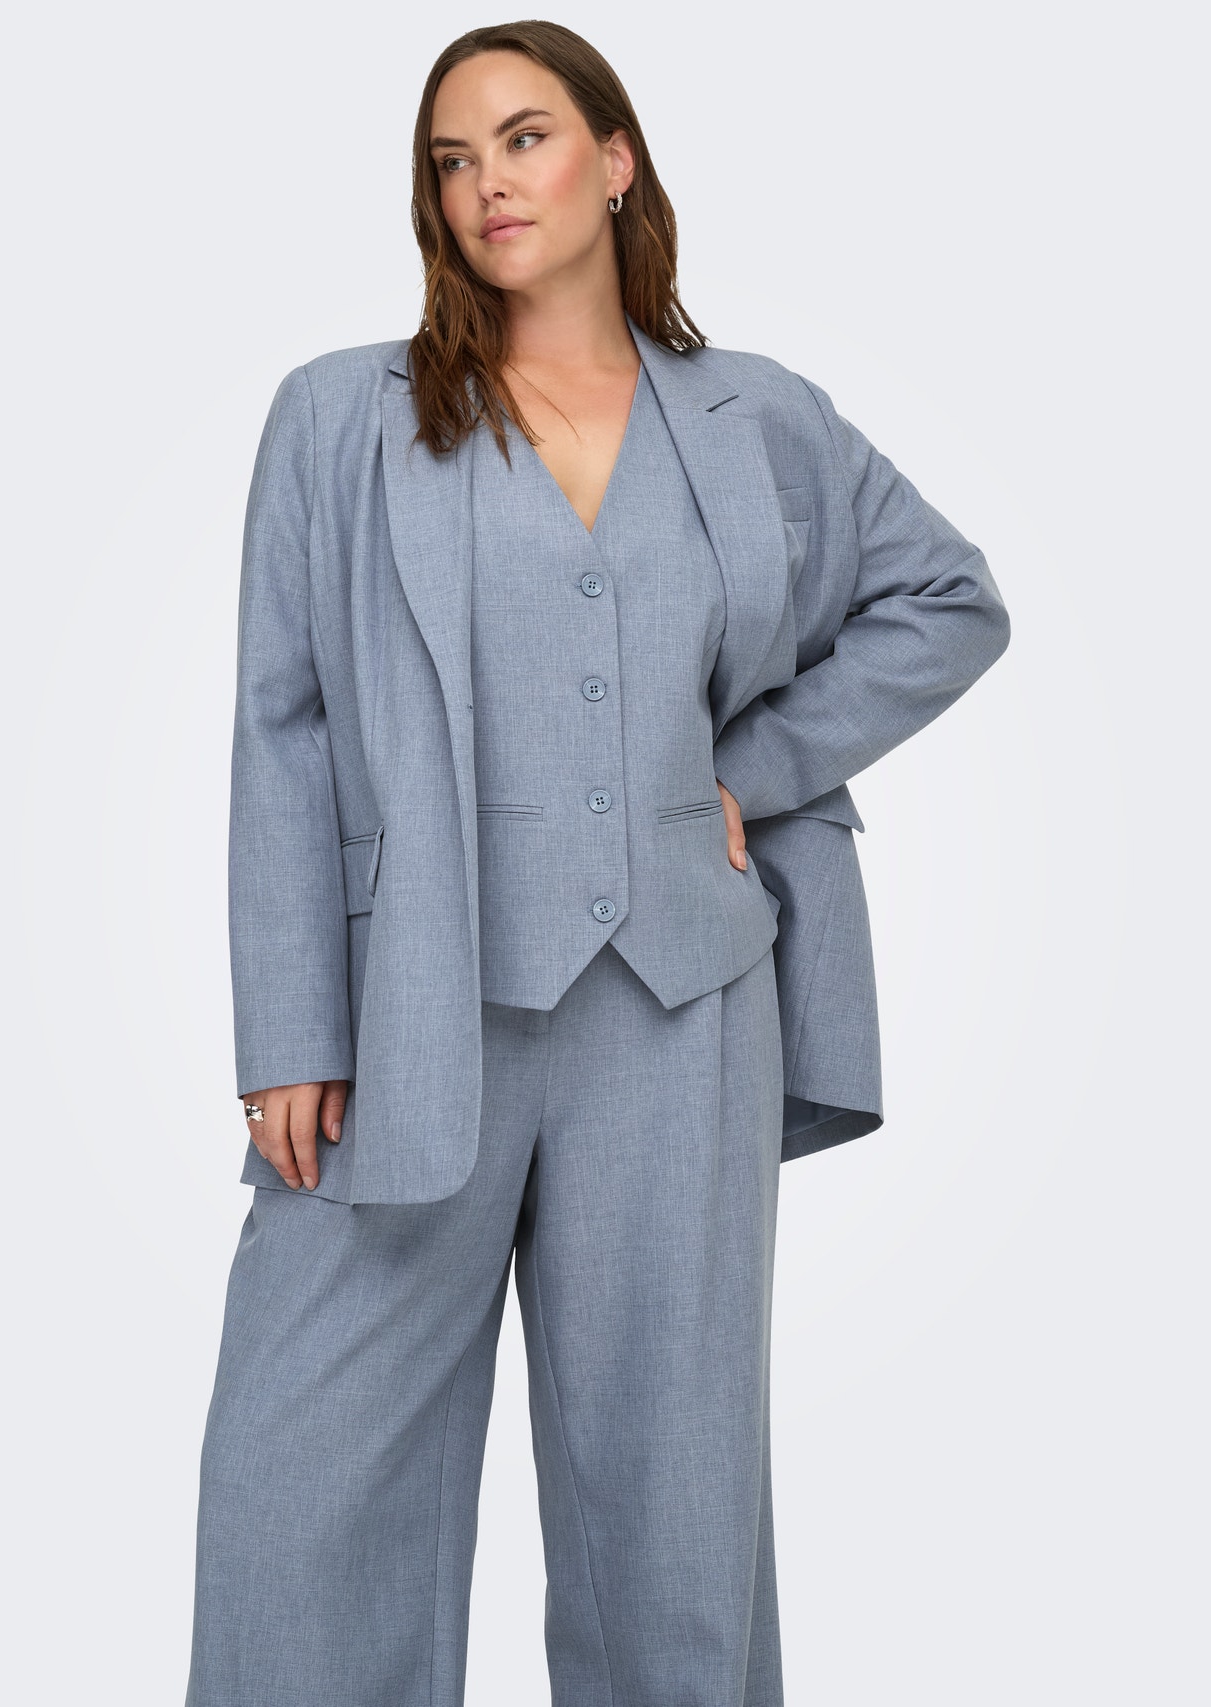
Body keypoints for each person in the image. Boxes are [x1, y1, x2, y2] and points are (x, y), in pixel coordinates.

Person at [184, 20, 1011, 1707]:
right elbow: (281, 723)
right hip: (405, 1013)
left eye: (525, 137)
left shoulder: (760, 420)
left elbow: (949, 601)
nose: (487, 182)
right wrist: (291, 1026)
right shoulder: (340, 417)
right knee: (300, 1494)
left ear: (616, 160)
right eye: (452, 159)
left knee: (671, 1517)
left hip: (682, 1010)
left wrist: (752, 771)